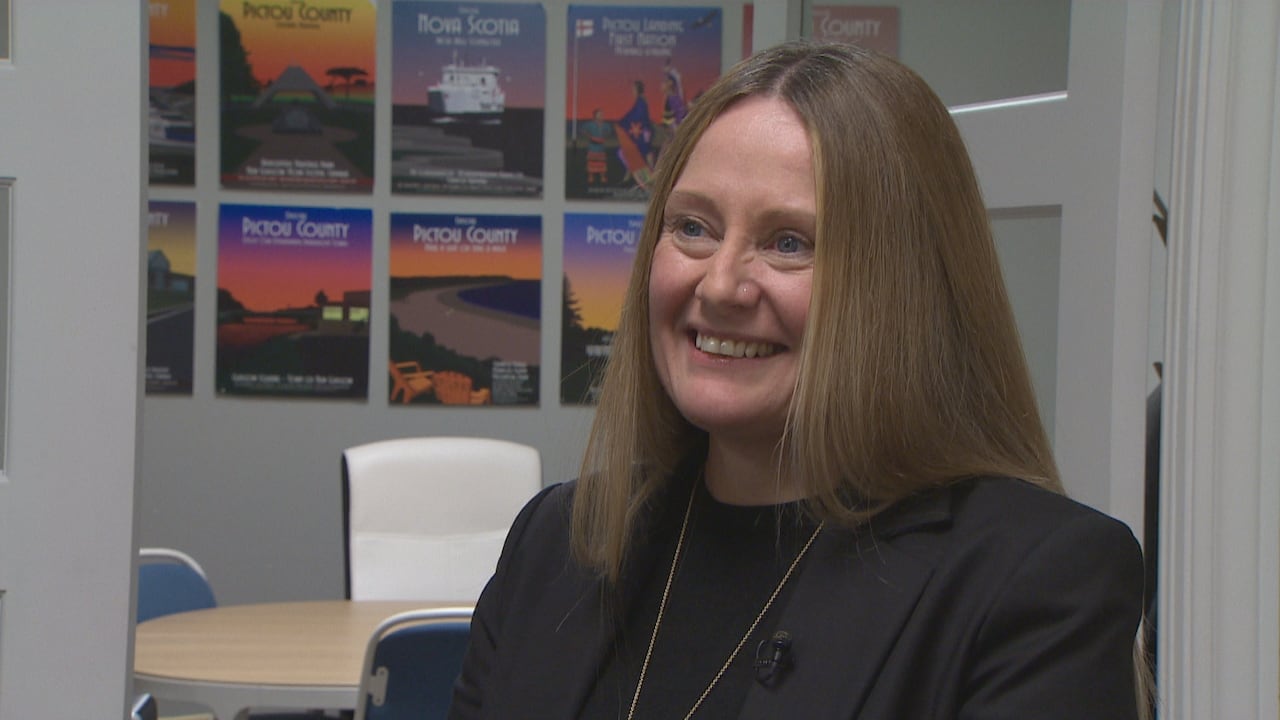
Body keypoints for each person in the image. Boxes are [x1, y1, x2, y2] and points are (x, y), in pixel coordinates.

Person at [450, 41, 1146, 719]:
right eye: (693, 227)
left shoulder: (1037, 583)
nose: (719, 285)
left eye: (789, 242)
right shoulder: (556, 542)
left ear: (904, 289)